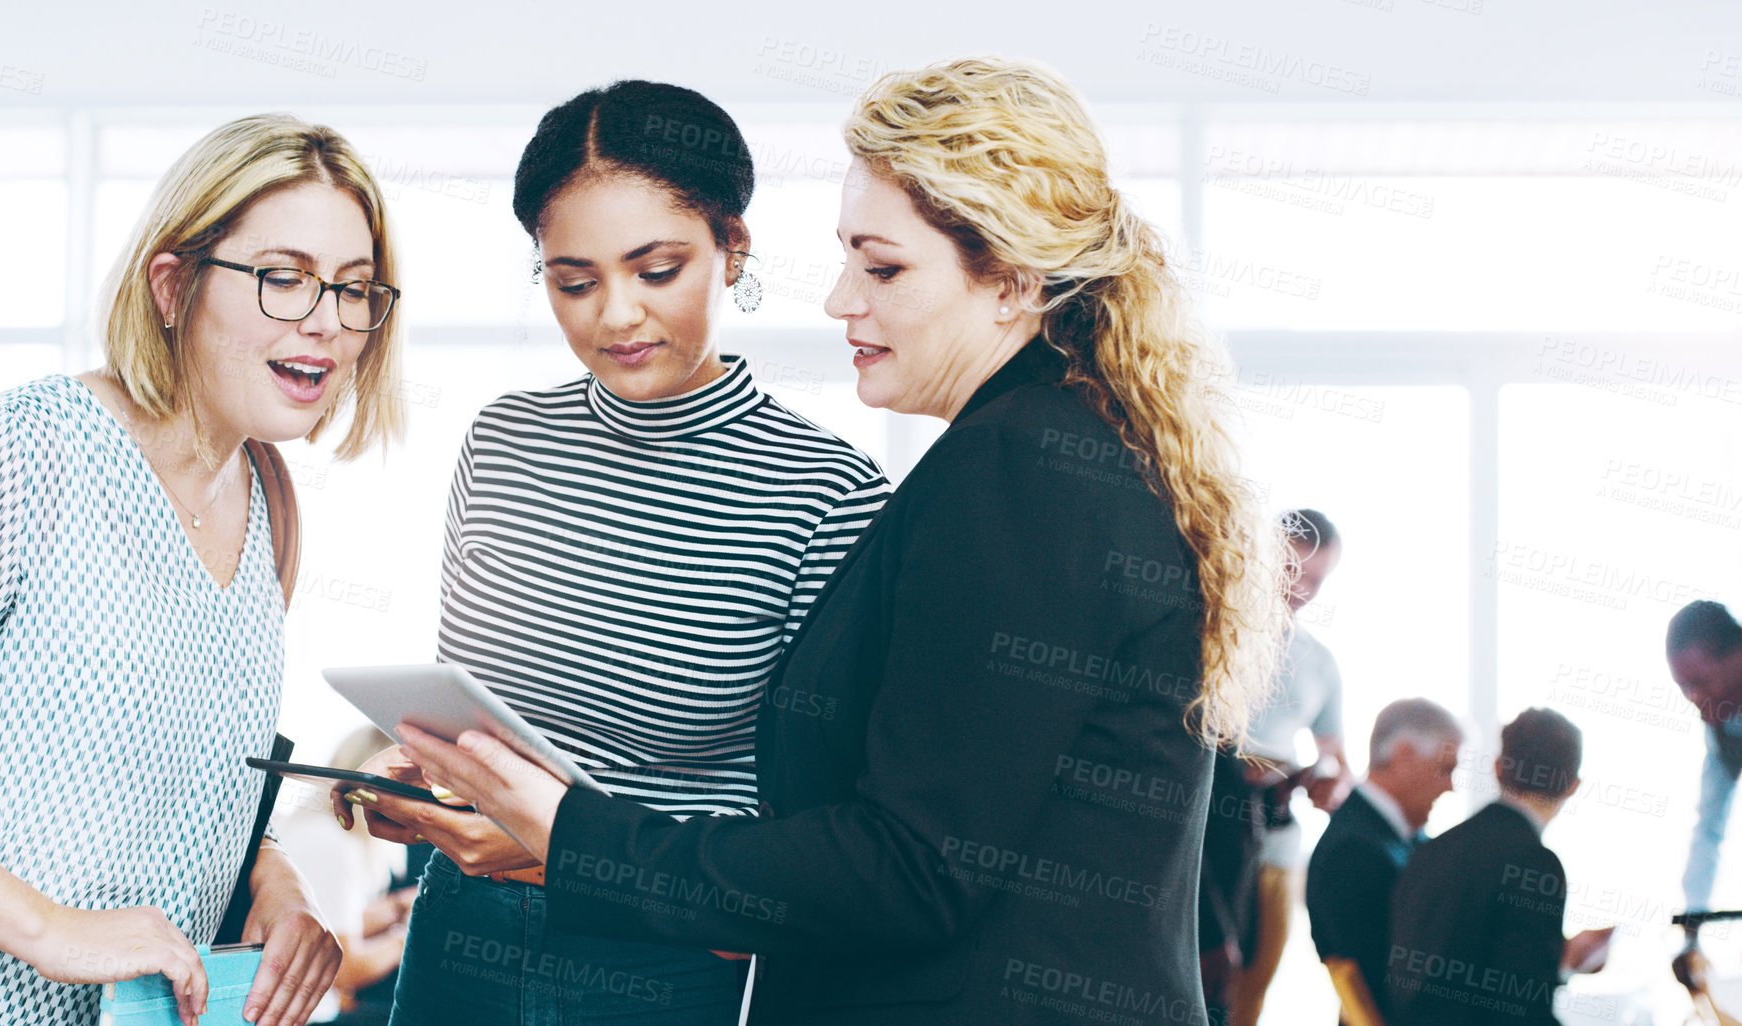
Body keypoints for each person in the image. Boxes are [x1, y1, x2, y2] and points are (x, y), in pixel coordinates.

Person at [377, 57, 1291, 1026]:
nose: (841, 300)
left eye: (884, 267)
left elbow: (907, 866)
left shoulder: (1013, 470)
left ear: (1015, 280)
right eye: (572, 278)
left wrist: (565, 835)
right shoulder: (1042, 450)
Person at [0, 113, 405, 1026]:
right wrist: (48, 928)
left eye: (353, 289)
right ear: (172, 285)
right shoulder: (24, 450)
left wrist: (274, 886)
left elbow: (185, 781)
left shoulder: (270, 500)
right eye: (283, 278)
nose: (326, 322)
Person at [335, 80, 890, 1026]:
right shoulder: (503, 442)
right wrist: (420, 782)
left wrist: (559, 846)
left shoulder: (826, 491)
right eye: (574, 281)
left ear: (732, 247)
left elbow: (819, 833)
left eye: (656, 269)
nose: (615, 317)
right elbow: (472, 712)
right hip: (457, 934)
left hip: (664, 965)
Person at [1385, 708, 1612, 1026]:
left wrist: (1563, 963)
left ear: (1497, 769)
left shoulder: (1431, 850)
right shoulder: (1537, 865)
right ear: (1573, 786)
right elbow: (1521, 1012)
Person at [1233, 508, 1353, 1026]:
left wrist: (1322, 775)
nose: (1299, 589)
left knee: (1252, 988)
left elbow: (1339, 762)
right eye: (1290, 571)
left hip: (1276, 843)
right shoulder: (1216, 627)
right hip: (1204, 831)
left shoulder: (1319, 662)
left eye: (1315, 579)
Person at [1305, 698, 1462, 1026]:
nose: (1451, 786)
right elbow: (1391, 990)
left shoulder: (1399, 837)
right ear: (1404, 755)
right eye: (1446, 769)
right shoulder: (1352, 852)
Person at [273, 727, 416, 1025]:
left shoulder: (315, 829)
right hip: (312, 1016)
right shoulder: (334, 847)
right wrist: (409, 937)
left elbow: (334, 925)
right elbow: (343, 968)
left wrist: (397, 908)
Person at [1667, 600, 1742, 986]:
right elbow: (1708, 830)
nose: (1693, 699)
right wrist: (1692, 934)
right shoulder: (1723, 728)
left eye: (1700, 682)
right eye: (1684, 687)